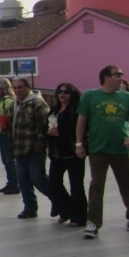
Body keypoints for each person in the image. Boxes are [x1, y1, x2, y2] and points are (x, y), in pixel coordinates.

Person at [76, 65, 129, 238]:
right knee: (97, 185)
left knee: (127, 183)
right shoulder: (90, 96)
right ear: (106, 77)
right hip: (98, 148)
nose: (121, 77)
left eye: (121, 74)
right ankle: (93, 223)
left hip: (121, 148)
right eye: (117, 75)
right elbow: (81, 121)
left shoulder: (126, 96)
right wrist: (78, 144)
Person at [10, 77, 52, 219]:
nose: (17, 90)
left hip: (34, 148)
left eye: (20, 87)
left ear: (28, 88)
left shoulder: (38, 103)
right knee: (23, 180)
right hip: (19, 148)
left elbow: (46, 125)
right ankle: (30, 208)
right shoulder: (14, 104)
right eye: (15, 88)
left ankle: (58, 200)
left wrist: (40, 141)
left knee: (38, 178)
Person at [47, 83, 87, 227]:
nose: (62, 94)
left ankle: (79, 217)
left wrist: (61, 132)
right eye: (60, 91)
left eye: (66, 92)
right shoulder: (54, 110)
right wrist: (49, 132)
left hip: (72, 152)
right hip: (56, 153)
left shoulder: (76, 110)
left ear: (72, 94)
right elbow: (46, 127)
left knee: (76, 185)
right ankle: (66, 210)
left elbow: (80, 129)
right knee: (54, 182)